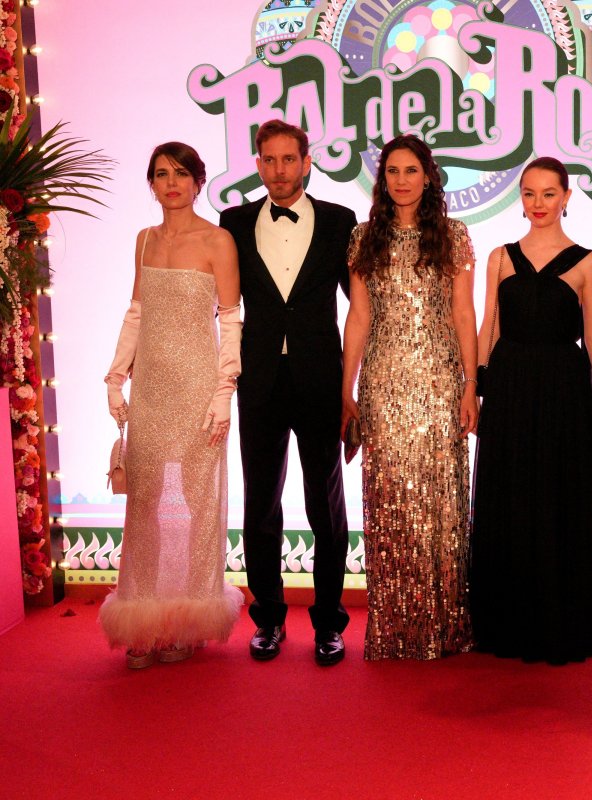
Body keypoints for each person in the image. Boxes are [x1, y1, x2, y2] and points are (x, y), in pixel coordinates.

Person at [100, 142, 243, 668]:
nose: (171, 183)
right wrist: (117, 378)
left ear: (198, 181)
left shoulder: (218, 240)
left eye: (181, 173)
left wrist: (223, 393)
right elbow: (137, 312)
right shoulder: (143, 241)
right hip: (152, 390)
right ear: (152, 184)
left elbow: (230, 318)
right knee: (145, 507)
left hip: (198, 389)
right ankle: (143, 617)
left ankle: (183, 621)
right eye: (161, 174)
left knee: (191, 507)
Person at [219, 119, 357, 666]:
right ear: (258, 164)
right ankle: (269, 620)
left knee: (326, 506)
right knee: (260, 504)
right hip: (259, 382)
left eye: (287, 159)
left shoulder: (341, 221)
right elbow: (222, 300)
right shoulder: (231, 222)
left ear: (307, 161)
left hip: (321, 381)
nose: (278, 170)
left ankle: (329, 624)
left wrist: (356, 383)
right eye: (268, 160)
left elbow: (361, 306)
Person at [342, 134, 478, 660]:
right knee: (392, 502)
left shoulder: (452, 235)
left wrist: (470, 384)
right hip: (384, 384)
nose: (401, 180)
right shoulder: (363, 238)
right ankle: (395, 627)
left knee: (441, 505)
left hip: (441, 384)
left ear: (429, 177)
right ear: (383, 179)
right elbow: (358, 317)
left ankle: (444, 625)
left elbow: (463, 315)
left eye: (411, 170)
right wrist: (346, 389)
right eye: (392, 171)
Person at [469, 157, 592, 664]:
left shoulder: (587, 262)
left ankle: (557, 618)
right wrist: (478, 388)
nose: (539, 204)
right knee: (509, 493)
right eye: (529, 194)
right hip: (508, 388)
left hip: (564, 391)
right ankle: (506, 619)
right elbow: (490, 327)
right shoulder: (500, 257)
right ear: (519, 198)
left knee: (557, 493)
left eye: (549, 194)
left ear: (567, 197)